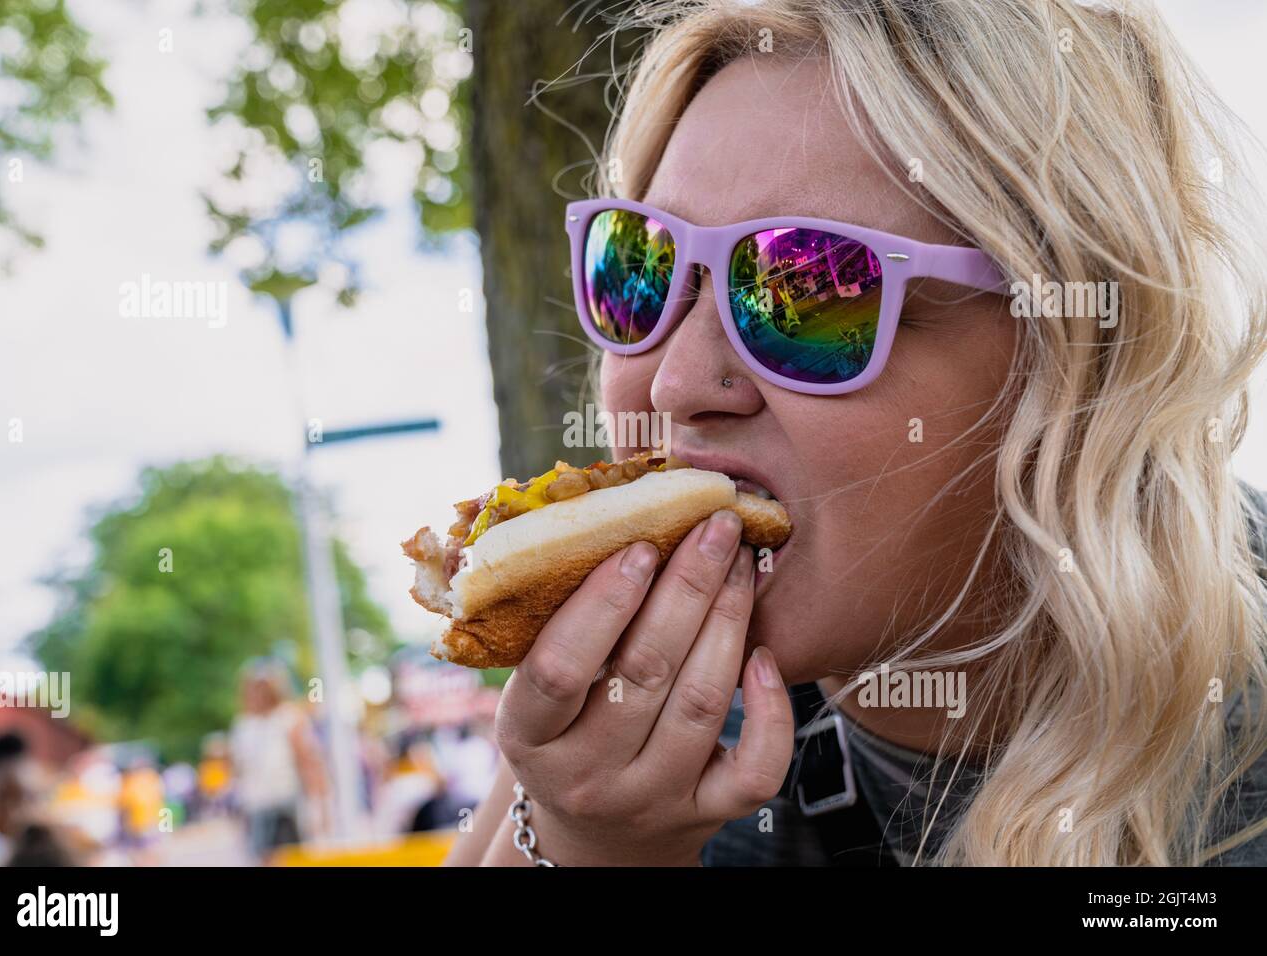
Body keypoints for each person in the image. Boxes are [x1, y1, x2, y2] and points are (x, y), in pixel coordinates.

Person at [447, 0, 1267, 866]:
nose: (677, 382)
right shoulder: (612, 727)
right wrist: (584, 849)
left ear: (1073, 355)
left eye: (807, 288)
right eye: (642, 266)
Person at [229, 659, 329, 862]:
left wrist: (319, 805)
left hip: (286, 803)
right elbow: (239, 769)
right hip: (256, 804)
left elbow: (308, 762)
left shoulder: (289, 718)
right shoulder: (244, 725)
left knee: (290, 859)